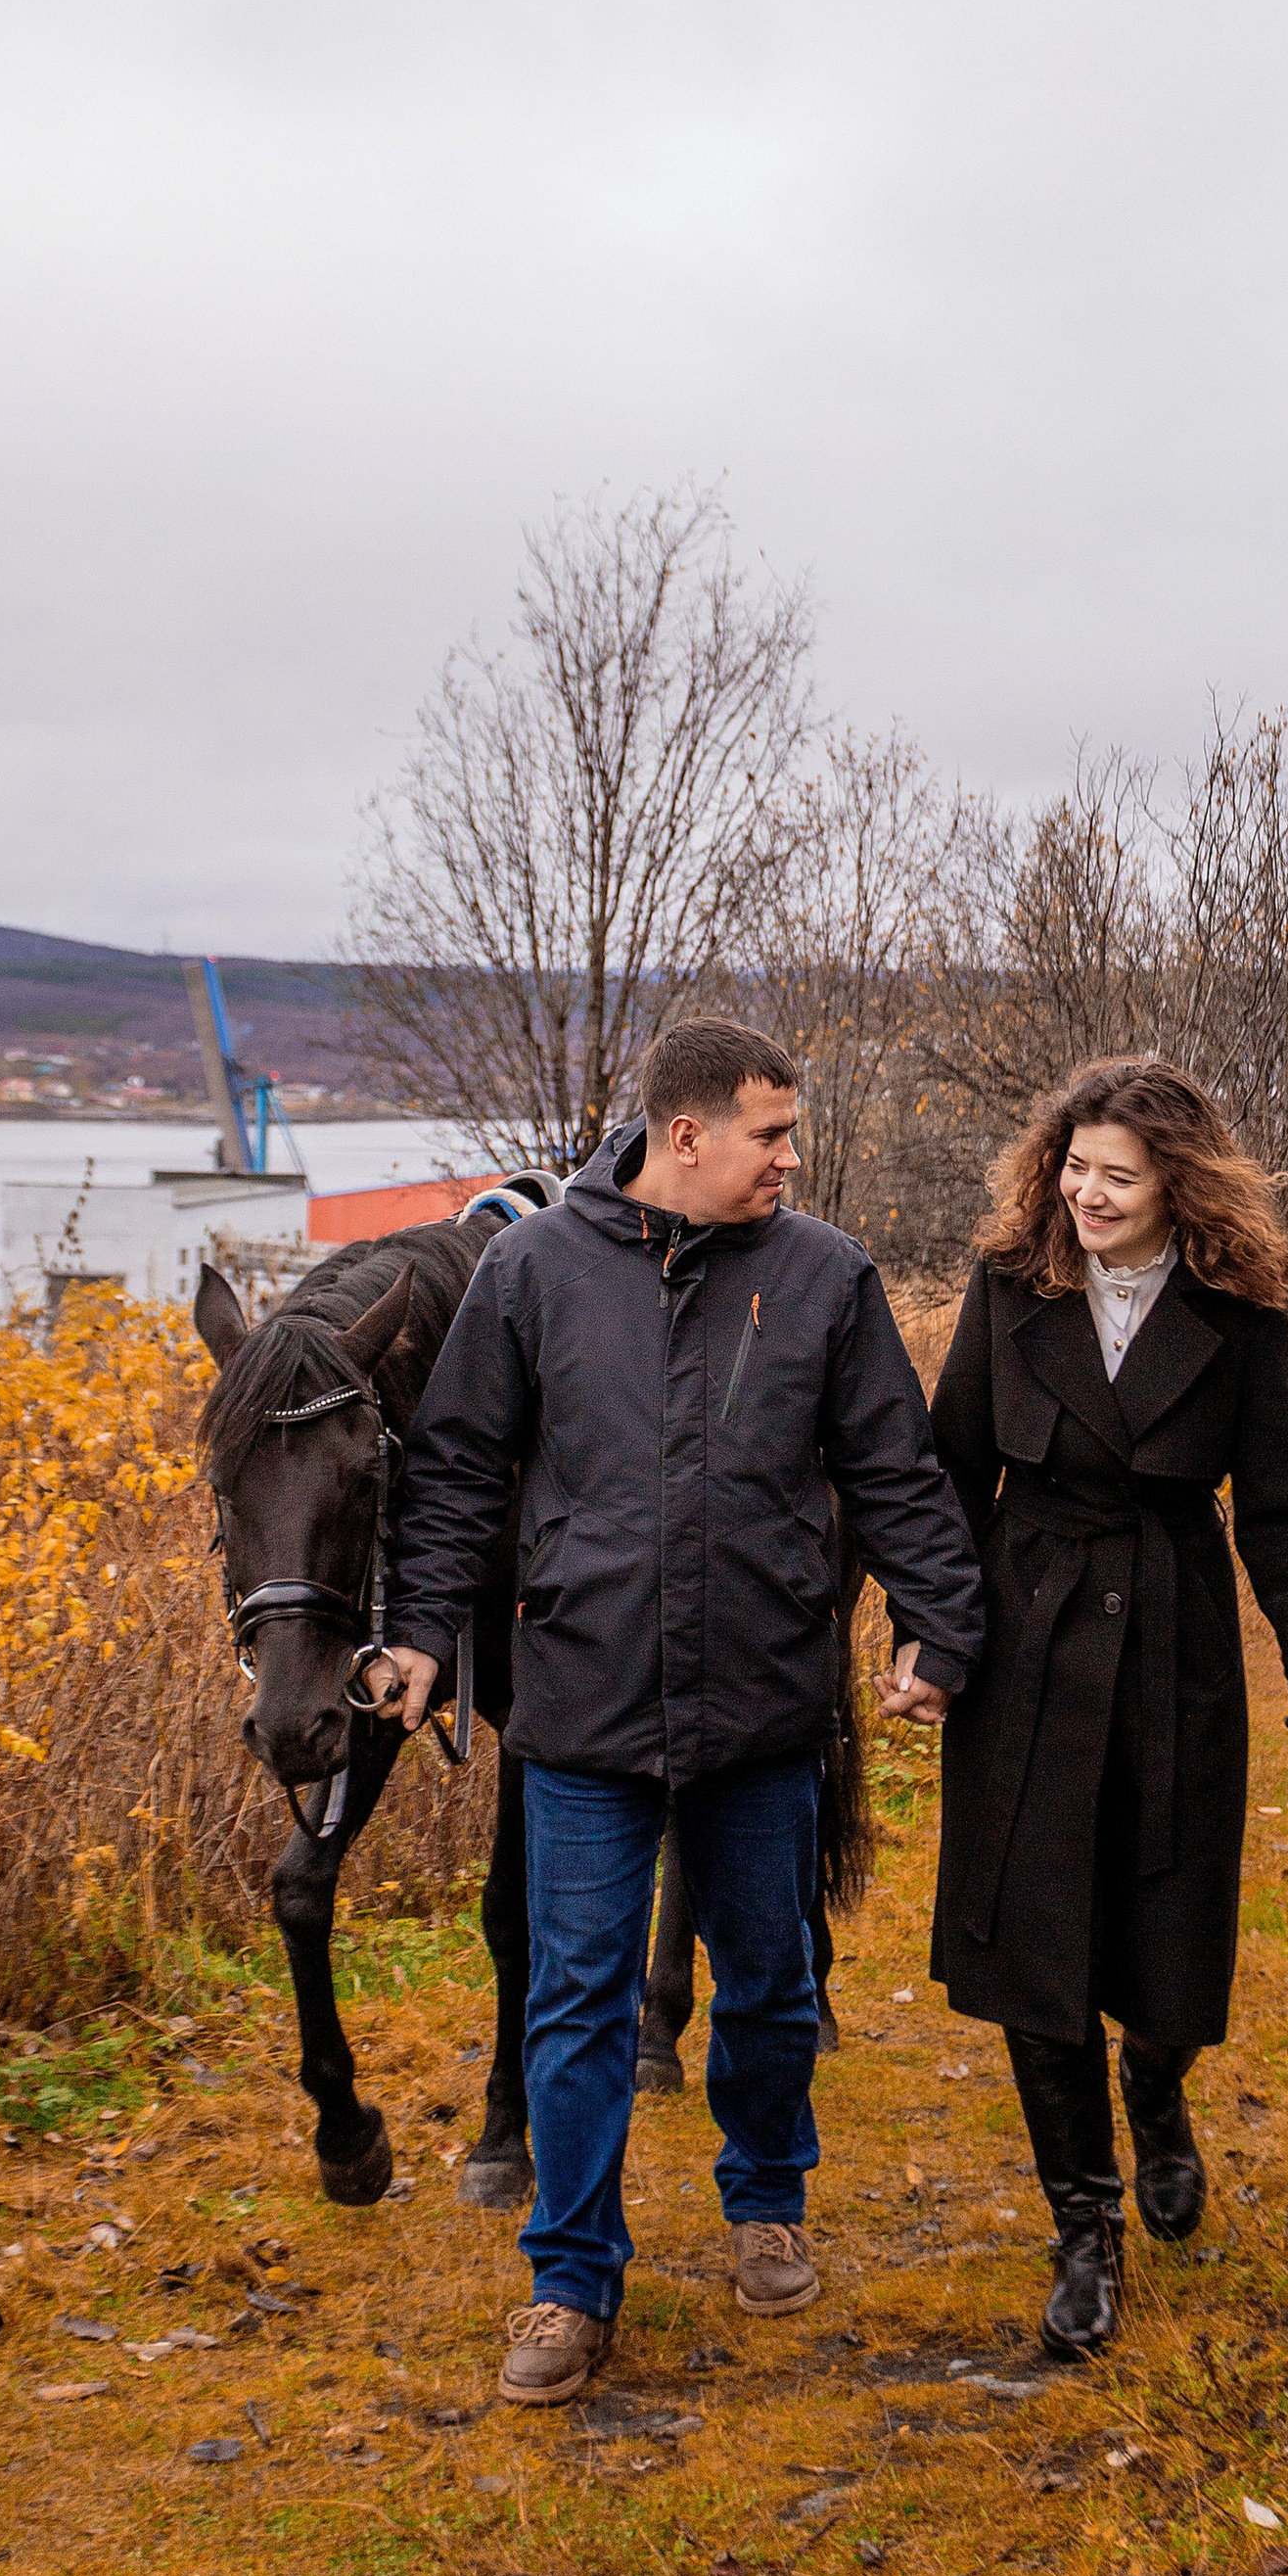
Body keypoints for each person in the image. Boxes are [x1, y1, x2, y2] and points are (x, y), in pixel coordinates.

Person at [374, 1016, 984, 2408]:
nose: (791, 1157)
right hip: (580, 1705)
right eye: (770, 1133)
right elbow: (460, 1471)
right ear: (685, 1132)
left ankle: (767, 2194)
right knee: (574, 1996)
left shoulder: (825, 1276)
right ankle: (570, 2279)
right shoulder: (531, 1270)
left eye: (791, 1134)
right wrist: (418, 1636)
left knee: (769, 1986)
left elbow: (891, 1470)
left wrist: (941, 1626)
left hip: (762, 1707)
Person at [926, 1057, 1288, 2360]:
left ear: (1178, 1184)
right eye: (1075, 1167)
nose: (1089, 1194)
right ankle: (1083, 2226)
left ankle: (1156, 2090)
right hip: (1028, 1642)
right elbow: (948, 1478)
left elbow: (1277, 1514)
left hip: (1176, 1647)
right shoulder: (1008, 1291)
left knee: (1168, 1941)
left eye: (1120, 1173)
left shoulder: (1243, 1320)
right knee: (1035, 1943)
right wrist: (935, 1642)